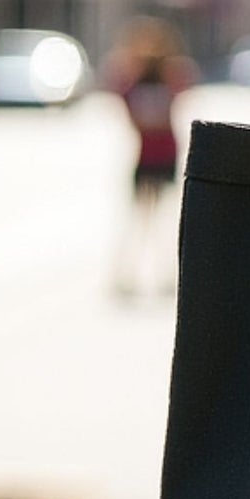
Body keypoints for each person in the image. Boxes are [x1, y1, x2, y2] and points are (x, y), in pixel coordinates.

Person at [105, 15, 196, 298]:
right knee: (140, 217)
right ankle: (128, 274)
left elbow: (185, 84)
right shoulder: (135, 81)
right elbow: (118, 91)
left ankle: (168, 275)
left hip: (164, 154)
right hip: (147, 155)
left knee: (165, 219)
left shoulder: (169, 77)